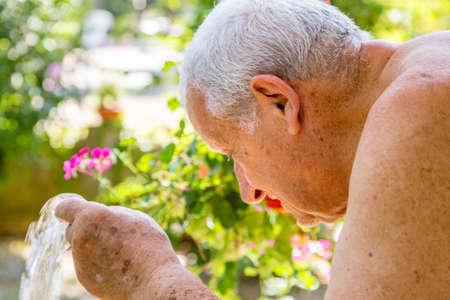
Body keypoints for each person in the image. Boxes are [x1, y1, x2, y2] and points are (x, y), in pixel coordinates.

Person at [55, 0, 450, 299]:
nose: (249, 192)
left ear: (279, 101)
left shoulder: (423, 107)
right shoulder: (429, 65)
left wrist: (149, 280)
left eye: (234, 153)